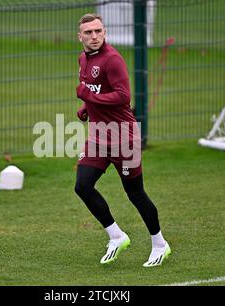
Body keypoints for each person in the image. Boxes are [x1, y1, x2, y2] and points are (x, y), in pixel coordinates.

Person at [74, 13, 171, 267]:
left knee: (135, 194)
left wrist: (88, 97)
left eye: (98, 31)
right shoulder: (83, 59)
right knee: (82, 186)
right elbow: (95, 90)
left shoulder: (113, 59)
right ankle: (116, 236)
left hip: (123, 137)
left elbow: (122, 97)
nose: (94, 36)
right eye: (88, 32)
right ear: (80, 36)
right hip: (98, 136)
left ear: (104, 33)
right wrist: (86, 107)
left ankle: (160, 244)